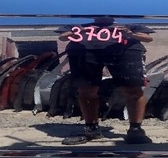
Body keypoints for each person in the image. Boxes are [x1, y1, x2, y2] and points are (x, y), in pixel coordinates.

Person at [56, 17, 154, 145]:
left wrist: (130, 33)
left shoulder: (126, 18)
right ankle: (91, 128)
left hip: (125, 50)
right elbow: (63, 37)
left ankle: (136, 129)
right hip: (83, 51)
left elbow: (148, 38)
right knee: (86, 90)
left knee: (133, 88)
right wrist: (81, 32)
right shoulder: (80, 19)